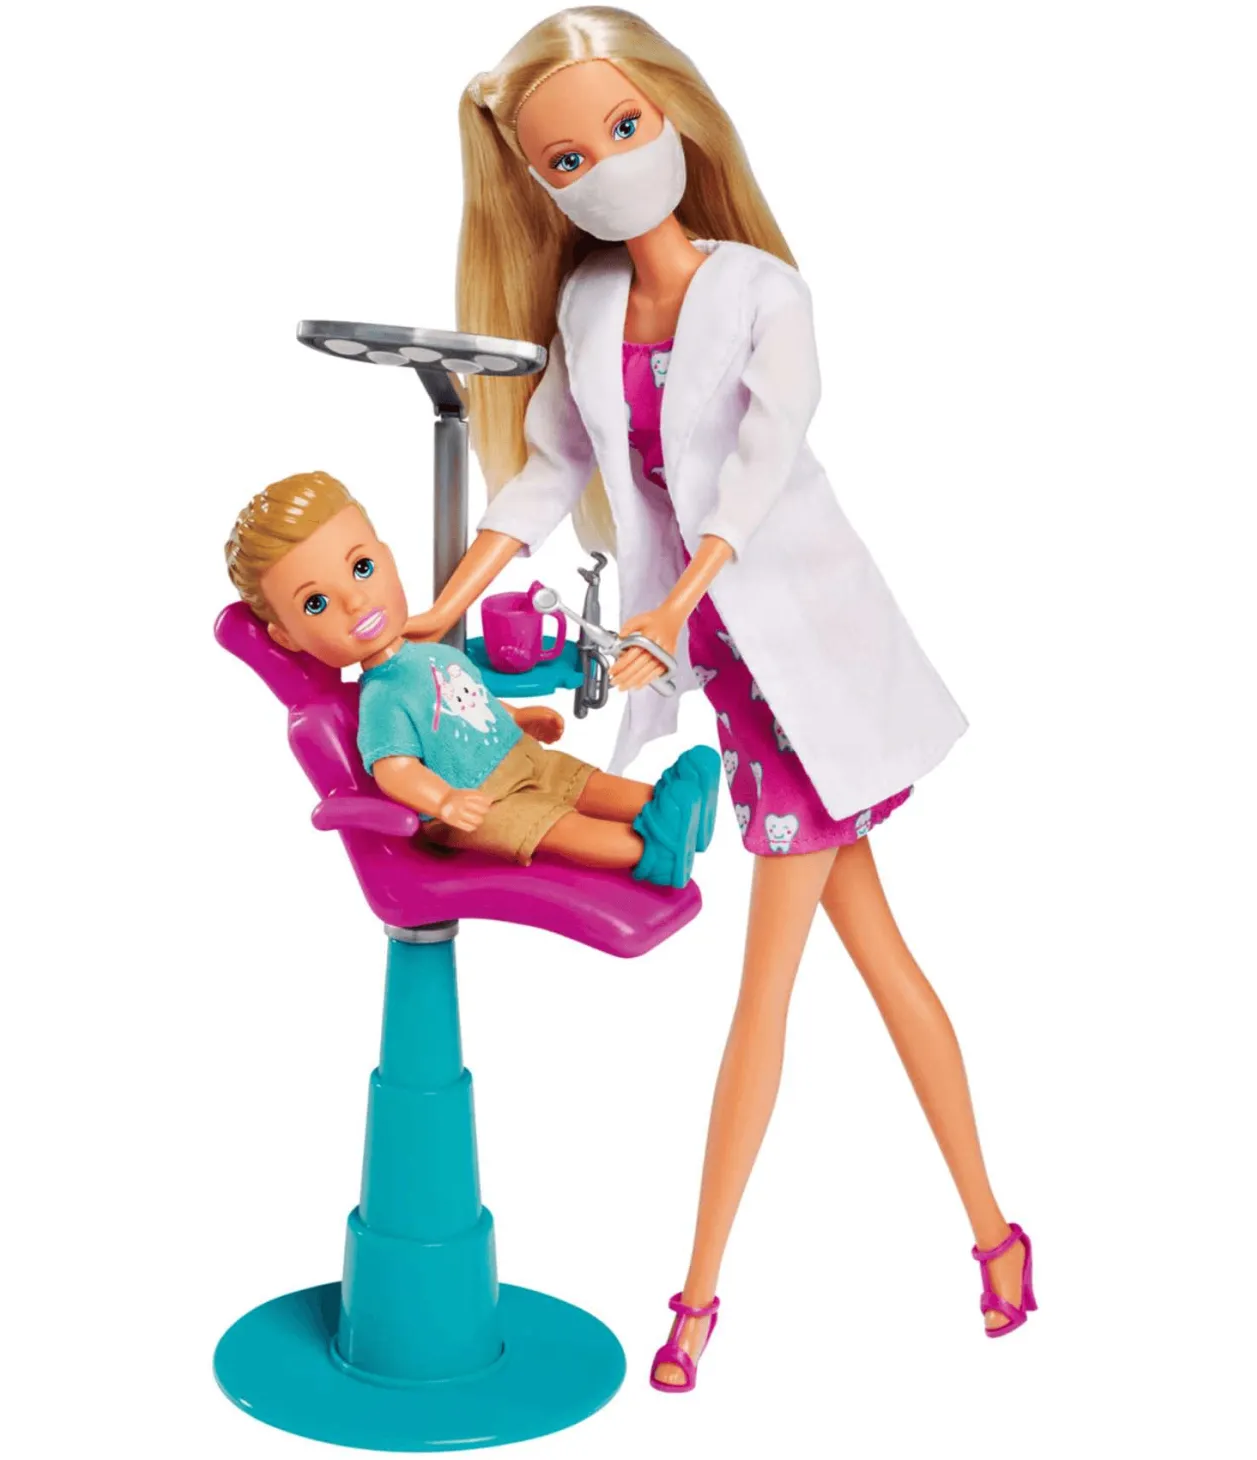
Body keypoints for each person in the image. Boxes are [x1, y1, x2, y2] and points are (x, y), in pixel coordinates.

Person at [405, 7, 1036, 1392]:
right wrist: (452, 602)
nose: (606, 164)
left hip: (809, 663)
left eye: (625, 127)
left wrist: (669, 610)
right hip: (743, 694)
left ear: (677, 115)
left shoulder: (762, 292)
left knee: (766, 996)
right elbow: (552, 466)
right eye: (568, 159)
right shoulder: (583, 308)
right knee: (886, 968)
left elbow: (753, 475)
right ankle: (995, 1236)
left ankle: (697, 1294)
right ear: (541, 184)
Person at [225, 469, 719, 883]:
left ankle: (673, 808)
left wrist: (519, 717)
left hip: (519, 756)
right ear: (287, 637)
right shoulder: (382, 697)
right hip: (482, 804)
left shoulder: (433, 654)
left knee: (582, 782)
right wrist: (444, 801)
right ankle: (650, 853)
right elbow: (395, 768)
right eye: (316, 603)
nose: (355, 601)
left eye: (362, 567)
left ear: (387, 557)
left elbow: (469, 700)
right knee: (558, 825)